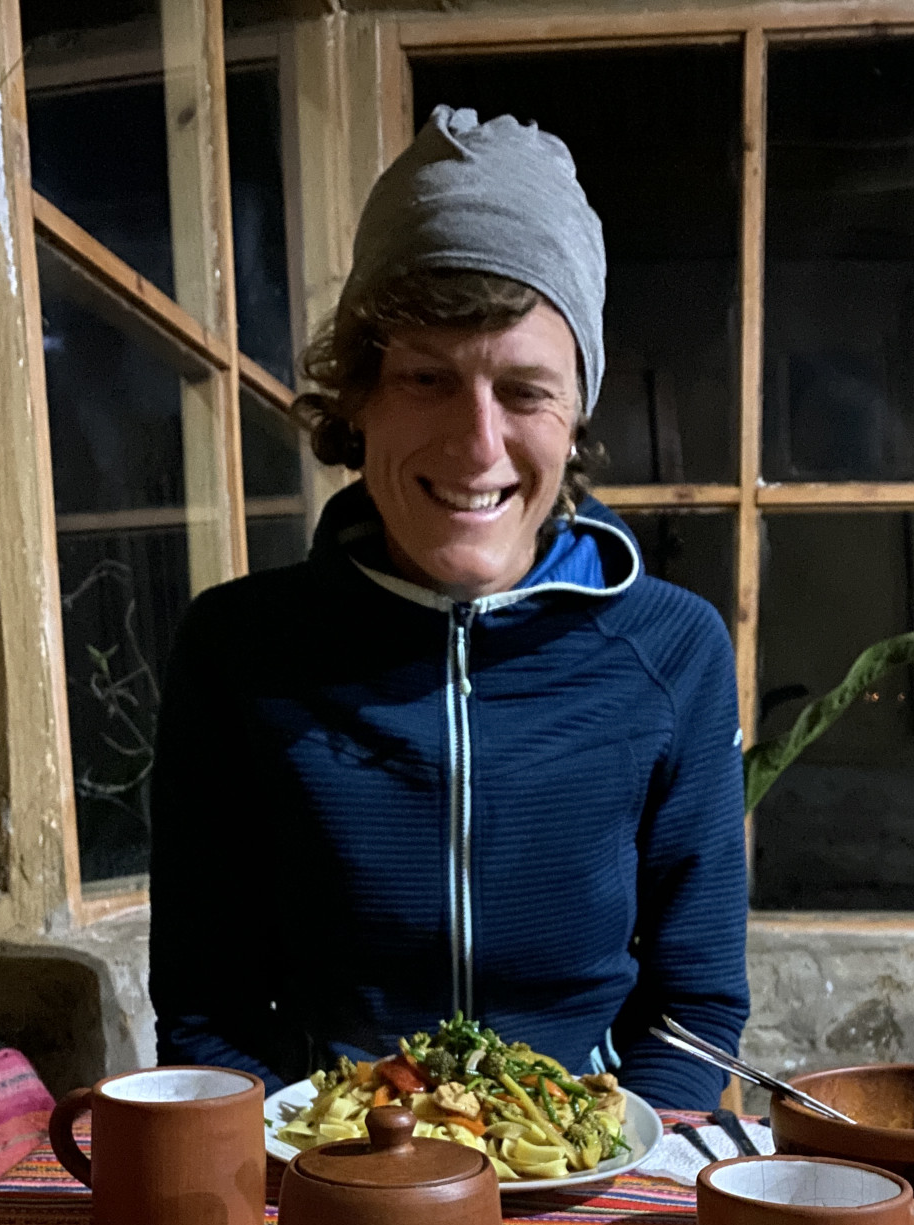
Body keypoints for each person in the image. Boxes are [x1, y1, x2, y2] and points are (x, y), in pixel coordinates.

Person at [148, 106, 748, 1108]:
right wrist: (317, 1171)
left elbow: (697, 1008)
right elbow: (206, 1011)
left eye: (524, 392)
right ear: (358, 397)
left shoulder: (673, 649)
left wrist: (618, 1177)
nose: (478, 446)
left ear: (578, 415)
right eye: (428, 378)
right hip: (323, 1165)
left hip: (587, 1154)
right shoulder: (238, 650)